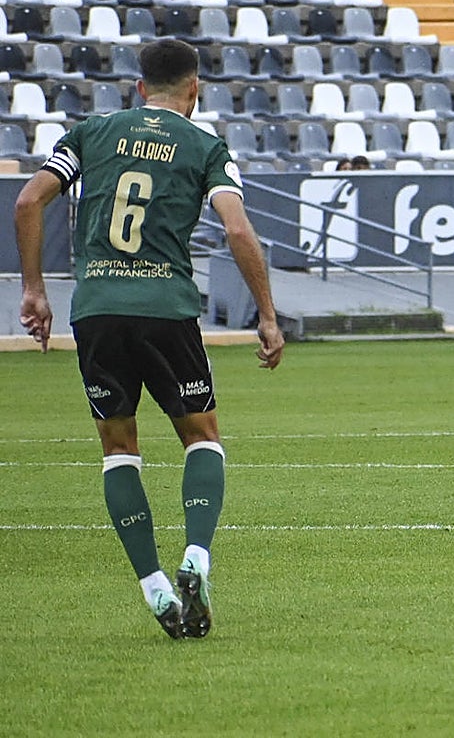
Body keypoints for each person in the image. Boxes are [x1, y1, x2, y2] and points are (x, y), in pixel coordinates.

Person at [13, 38, 285, 638]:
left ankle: (155, 588)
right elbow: (236, 228)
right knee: (201, 436)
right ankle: (196, 558)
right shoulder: (206, 146)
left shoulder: (92, 132)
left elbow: (30, 199)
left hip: (98, 309)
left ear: (139, 88)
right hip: (167, 308)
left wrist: (35, 290)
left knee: (119, 447)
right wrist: (266, 313)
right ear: (195, 90)